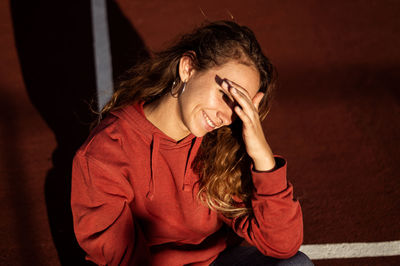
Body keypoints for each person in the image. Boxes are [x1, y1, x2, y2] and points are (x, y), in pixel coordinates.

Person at [71, 21, 313, 265]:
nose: (226, 117)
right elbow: (122, 258)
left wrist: (263, 158)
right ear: (188, 68)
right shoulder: (106, 152)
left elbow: (283, 245)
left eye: (239, 107)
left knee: (296, 264)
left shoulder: (224, 144)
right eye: (225, 96)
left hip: (215, 262)